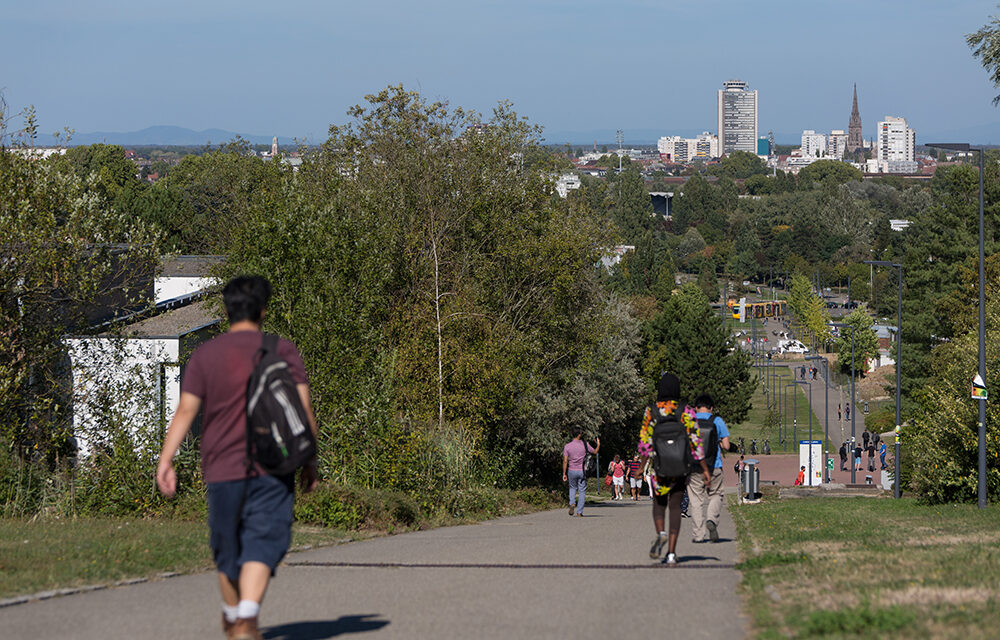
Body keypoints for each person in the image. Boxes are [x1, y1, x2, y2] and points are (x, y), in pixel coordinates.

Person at [156, 275, 319, 640]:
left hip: (222, 468)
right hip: (275, 465)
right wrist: (310, 460)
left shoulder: (205, 355)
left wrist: (166, 460)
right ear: (263, 310)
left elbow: (185, 411)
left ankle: (240, 618)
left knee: (227, 546)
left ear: (227, 310)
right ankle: (242, 616)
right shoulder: (283, 350)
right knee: (265, 540)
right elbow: (303, 411)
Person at [639, 372, 711, 565]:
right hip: (680, 468)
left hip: (659, 469)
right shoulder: (686, 411)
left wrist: (641, 466)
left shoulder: (651, 411)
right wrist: (704, 468)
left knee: (659, 504)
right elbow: (696, 442)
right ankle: (671, 553)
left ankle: (660, 532)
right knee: (676, 506)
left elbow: (645, 441)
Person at [687, 395, 730, 543]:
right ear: (711, 408)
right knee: (716, 494)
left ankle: (698, 535)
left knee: (696, 501)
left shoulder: (690, 421)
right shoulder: (717, 421)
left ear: (696, 407)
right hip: (714, 466)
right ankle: (711, 519)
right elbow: (727, 446)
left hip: (694, 467)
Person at [562, 428, 599, 517]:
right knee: (582, 491)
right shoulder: (585, 445)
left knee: (572, 488)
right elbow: (595, 452)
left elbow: (565, 461)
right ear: (579, 434)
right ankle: (579, 512)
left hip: (571, 470)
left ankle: (572, 503)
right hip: (582, 471)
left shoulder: (567, 446)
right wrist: (598, 444)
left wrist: (564, 473)